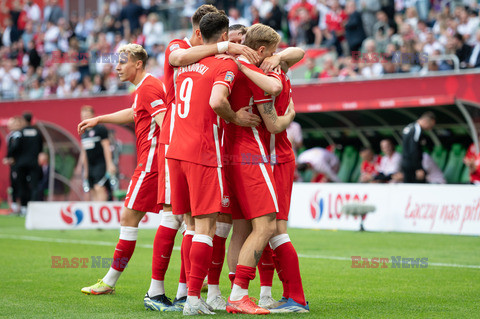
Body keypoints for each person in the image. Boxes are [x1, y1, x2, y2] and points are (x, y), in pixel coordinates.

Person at [148, 4, 259, 312]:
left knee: (190, 226)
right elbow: (216, 99)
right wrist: (236, 118)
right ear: (223, 36)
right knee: (205, 227)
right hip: (203, 151)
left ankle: (187, 294)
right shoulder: (218, 62)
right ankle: (191, 298)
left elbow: (177, 61)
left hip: (176, 150)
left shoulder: (186, 64)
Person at [78, 44, 165, 301]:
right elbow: (135, 113)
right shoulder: (144, 88)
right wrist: (99, 119)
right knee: (182, 220)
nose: (116, 67)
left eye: (123, 62)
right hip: (160, 161)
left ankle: (109, 281)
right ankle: (199, 281)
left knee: (128, 218)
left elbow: (166, 123)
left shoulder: (149, 87)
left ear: (138, 64)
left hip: (152, 162)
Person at [222, 23, 295, 315]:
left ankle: (225, 293)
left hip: (227, 152)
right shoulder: (249, 70)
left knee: (237, 229)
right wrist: (289, 116)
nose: (274, 57)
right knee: (265, 227)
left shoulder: (223, 64)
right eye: (273, 52)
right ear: (261, 50)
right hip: (251, 154)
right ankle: (240, 294)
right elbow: (274, 109)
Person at [234, 44, 309, 312]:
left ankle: (295, 297)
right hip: (268, 158)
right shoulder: (268, 70)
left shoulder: (273, 70)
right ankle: (285, 294)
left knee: (274, 229)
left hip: (277, 158)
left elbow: (299, 52)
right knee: (266, 229)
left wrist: (288, 116)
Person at [79, 105, 116, 201]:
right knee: (92, 190)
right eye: (83, 116)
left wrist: (109, 164)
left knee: (99, 187)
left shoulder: (100, 129)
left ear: (93, 115)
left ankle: (101, 212)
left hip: (100, 164)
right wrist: (85, 170)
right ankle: (95, 212)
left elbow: (106, 147)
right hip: (90, 166)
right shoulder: (83, 133)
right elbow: (84, 153)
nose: (85, 118)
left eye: (87, 115)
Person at [10, 112, 43, 216]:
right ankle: (34, 208)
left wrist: (10, 156)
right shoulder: (37, 132)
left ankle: (24, 207)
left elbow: (15, 147)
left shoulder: (19, 133)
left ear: (23, 120)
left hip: (21, 163)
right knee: (34, 186)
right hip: (34, 163)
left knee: (22, 185)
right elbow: (40, 147)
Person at [401, 112, 436, 183]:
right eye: (431, 125)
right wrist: (418, 168)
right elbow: (414, 150)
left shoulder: (409, 126)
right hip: (412, 165)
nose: (430, 128)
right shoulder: (417, 129)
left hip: (405, 162)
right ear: (426, 121)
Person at [2, 116, 23, 214]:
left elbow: (15, 148)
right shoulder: (11, 135)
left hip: (18, 164)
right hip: (14, 165)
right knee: (14, 184)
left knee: (19, 184)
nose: (9, 125)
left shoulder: (18, 135)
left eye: (12, 123)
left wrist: (10, 158)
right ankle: (15, 205)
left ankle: (21, 206)